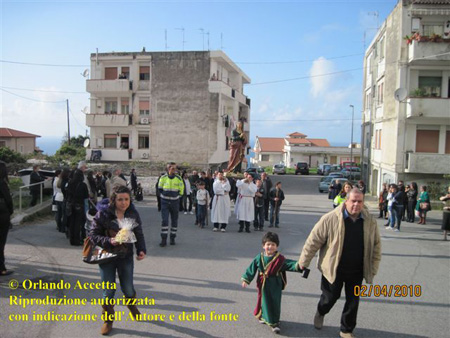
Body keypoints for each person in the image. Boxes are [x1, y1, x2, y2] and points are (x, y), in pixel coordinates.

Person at [298, 188, 382, 338]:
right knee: (329, 298)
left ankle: (346, 329)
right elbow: (313, 241)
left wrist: (373, 268)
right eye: (353, 201)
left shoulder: (369, 221)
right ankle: (321, 311)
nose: (356, 204)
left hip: (357, 270)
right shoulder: (330, 218)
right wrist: (304, 261)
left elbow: (376, 245)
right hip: (333, 268)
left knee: (353, 301)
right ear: (346, 201)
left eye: (360, 201)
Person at [90, 186, 146, 335]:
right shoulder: (103, 214)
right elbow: (93, 235)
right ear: (113, 200)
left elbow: (139, 233)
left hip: (125, 257)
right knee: (108, 291)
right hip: (106, 257)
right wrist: (109, 240)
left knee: (128, 288)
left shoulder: (133, 214)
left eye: (126, 199)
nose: (123, 203)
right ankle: (108, 320)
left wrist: (141, 250)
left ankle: (131, 305)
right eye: (120, 199)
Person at [241, 232, 302, 334]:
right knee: (263, 299)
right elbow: (252, 268)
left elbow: (290, 264)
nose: (270, 247)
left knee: (274, 302)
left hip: (275, 284)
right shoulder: (259, 257)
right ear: (263, 246)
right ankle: (264, 317)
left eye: (273, 245)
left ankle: (274, 323)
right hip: (262, 283)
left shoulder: (279, 259)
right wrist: (246, 279)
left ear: (277, 246)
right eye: (268, 244)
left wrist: (300, 265)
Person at [158, 164, 184, 246]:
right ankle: (163, 239)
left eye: (174, 169)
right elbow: (159, 188)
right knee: (165, 220)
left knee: (174, 221)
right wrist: (162, 196)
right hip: (165, 202)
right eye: (172, 168)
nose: (173, 170)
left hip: (174, 202)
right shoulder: (163, 178)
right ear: (168, 169)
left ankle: (172, 237)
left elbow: (181, 190)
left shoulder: (179, 178)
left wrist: (177, 197)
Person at [66, 169, 89, 246]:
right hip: (79, 205)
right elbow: (86, 196)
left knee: (72, 222)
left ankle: (71, 239)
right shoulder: (83, 185)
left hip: (71, 205)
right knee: (78, 224)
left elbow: (67, 194)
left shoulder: (70, 183)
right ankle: (77, 240)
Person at [0, 161, 14, 276]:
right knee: (1, 242)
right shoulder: (2, 183)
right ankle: (1, 268)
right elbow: (8, 200)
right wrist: (10, 212)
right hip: (2, 213)